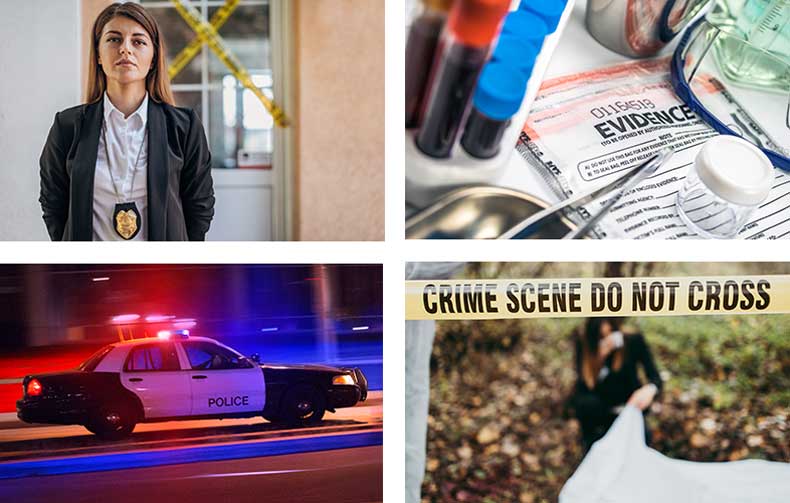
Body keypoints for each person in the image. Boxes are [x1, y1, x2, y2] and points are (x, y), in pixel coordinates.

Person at [39, 2, 214, 241]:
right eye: (114, 39)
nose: (125, 49)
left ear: (153, 58)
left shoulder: (185, 127)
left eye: (138, 41)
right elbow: (53, 203)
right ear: (98, 54)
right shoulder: (67, 126)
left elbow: (200, 206)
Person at [569, 317, 662, 452]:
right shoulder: (584, 343)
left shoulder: (632, 341)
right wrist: (598, 360)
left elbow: (655, 378)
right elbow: (583, 390)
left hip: (628, 411)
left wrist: (650, 389)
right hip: (599, 418)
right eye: (600, 335)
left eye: (610, 330)